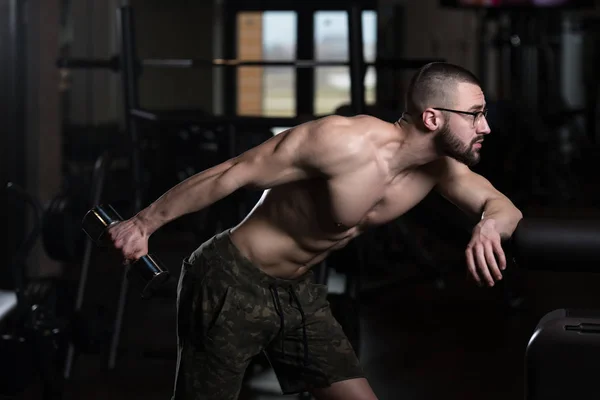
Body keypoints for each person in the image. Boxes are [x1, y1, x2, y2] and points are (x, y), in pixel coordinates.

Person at [107, 62, 523, 400]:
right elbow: (233, 173)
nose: (485, 126)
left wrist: (488, 227)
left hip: (297, 292)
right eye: (474, 114)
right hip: (230, 279)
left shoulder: (441, 171)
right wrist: (143, 223)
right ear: (432, 117)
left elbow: (505, 208)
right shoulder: (343, 141)